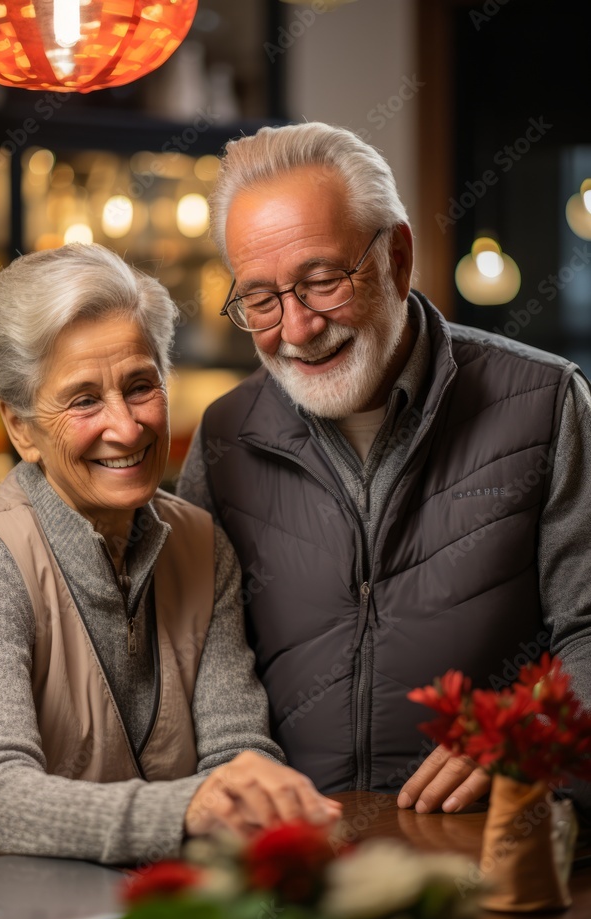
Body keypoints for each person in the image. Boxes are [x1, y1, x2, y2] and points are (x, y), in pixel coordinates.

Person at [176, 121, 591, 813]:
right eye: (260, 299)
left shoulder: (545, 402)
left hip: (492, 846)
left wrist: (523, 738)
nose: (298, 328)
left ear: (397, 256)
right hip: (297, 864)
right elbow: (171, 636)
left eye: (321, 280)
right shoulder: (224, 435)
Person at [0, 242, 339, 862]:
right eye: (84, 399)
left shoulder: (202, 541)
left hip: (151, 897)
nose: (126, 426)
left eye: (141, 385)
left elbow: (236, 748)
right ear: (19, 427)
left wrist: (259, 798)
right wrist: (191, 809)